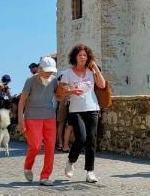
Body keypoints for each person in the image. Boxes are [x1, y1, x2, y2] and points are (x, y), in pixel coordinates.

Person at [57, 44, 107, 183]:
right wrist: (71, 91)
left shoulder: (92, 72)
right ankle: (71, 161)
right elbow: (59, 93)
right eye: (80, 55)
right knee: (81, 138)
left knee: (91, 140)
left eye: (85, 55)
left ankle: (90, 172)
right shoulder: (68, 73)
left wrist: (96, 68)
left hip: (92, 108)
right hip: (76, 110)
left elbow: (102, 85)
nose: (82, 57)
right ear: (75, 57)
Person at [18, 56, 59, 185]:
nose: (49, 74)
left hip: (49, 116)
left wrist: (69, 91)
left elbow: (58, 96)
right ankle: (28, 167)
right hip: (32, 116)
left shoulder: (54, 81)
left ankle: (45, 176)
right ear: (40, 69)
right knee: (35, 146)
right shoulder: (30, 80)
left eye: (51, 71)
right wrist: (20, 120)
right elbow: (22, 100)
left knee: (50, 147)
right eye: (47, 71)